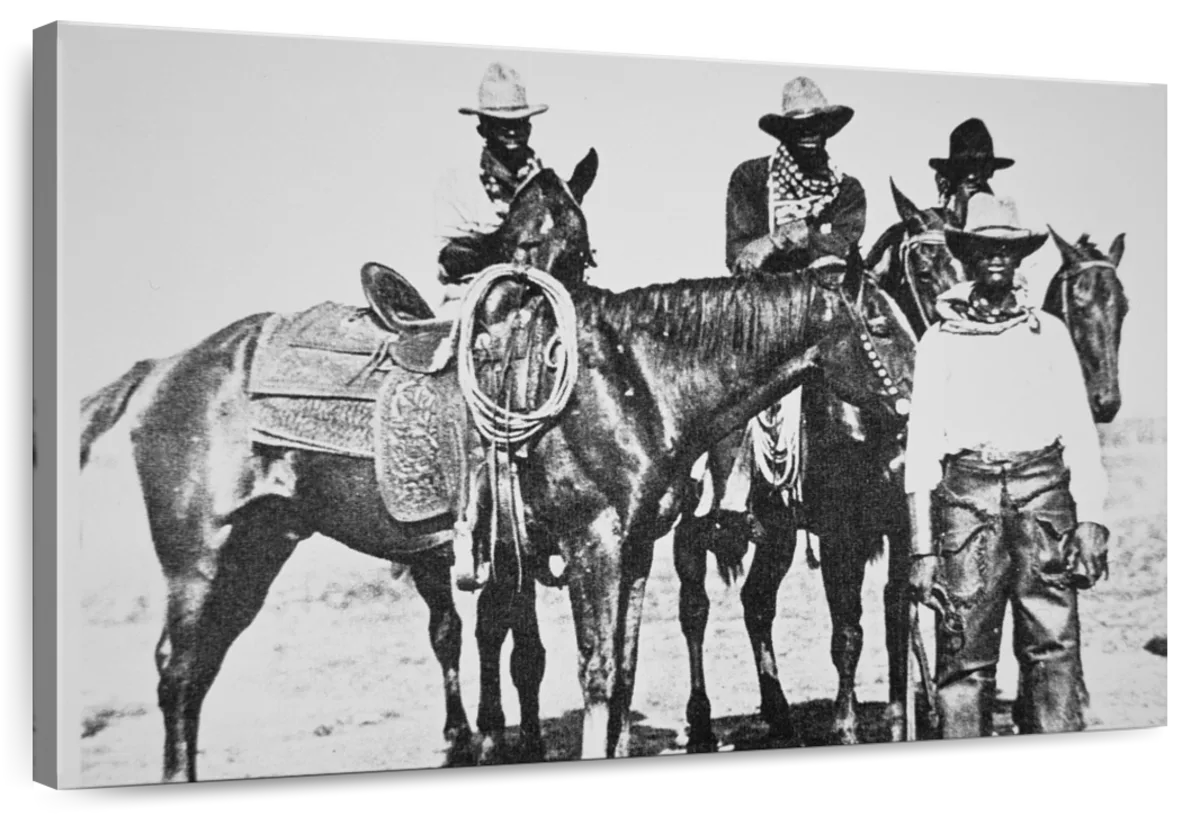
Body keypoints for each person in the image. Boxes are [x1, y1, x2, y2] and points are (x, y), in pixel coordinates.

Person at [905, 193, 1111, 740]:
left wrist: (1090, 518)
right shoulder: (939, 340)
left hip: (1043, 500)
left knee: (1052, 646)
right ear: (968, 255)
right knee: (963, 655)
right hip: (966, 508)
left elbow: (1080, 432)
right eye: (984, 248)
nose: (996, 257)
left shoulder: (1049, 333)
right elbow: (922, 446)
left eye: (1008, 248)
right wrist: (923, 548)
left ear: (1019, 256)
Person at [707, 75, 868, 531]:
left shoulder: (847, 190)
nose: (809, 132)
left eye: (817, 123)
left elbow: (840, 249)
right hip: (764, 312)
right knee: (727, 392)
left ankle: (870, 486)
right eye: (799, 125)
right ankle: (726, 500)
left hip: (824, 313)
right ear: (785, 132)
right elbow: (739, 256)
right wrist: (794, 237)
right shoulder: (752, 178)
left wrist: (782, 239)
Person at [432, 62, 550, 315]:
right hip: (472, 299)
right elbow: (449, 257)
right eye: (500, 124)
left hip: (540, 301)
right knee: (448, 344)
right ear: (482, 128)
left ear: (529, 126)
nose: (511, 130)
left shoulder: (547, 184)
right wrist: (503, 248)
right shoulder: (457, 184)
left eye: (519, 123)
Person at [867, 118, 1016, 278]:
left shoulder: (1002, 232)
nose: (975, 178)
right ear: (952, 179)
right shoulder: (920, 230)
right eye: (966, 172)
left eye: (982, 171)